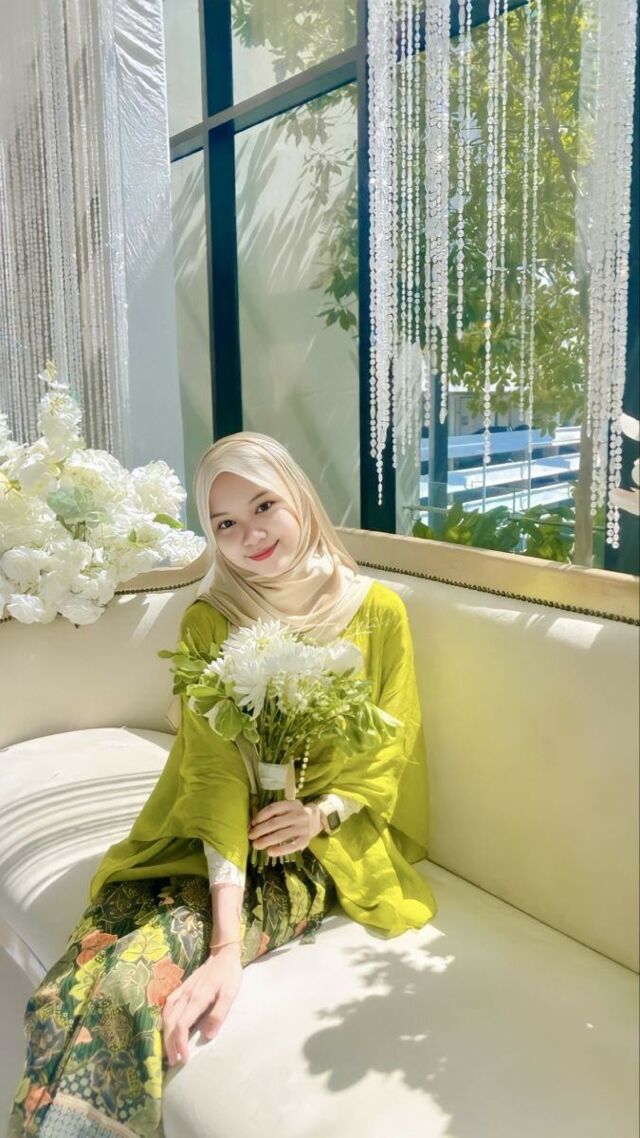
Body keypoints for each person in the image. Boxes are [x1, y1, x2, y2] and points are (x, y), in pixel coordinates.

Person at [9, 431, 437, 1138]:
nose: (250, 535)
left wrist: (320, 814)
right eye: (226, 523)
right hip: (203, 842)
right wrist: (225, 944)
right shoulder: (212, 618)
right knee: (69, 984)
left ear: (298, 496)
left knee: (128, 986)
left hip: (307, 853)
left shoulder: (377, 611)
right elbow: (211, 775)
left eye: (264, 506)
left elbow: (388, 744)